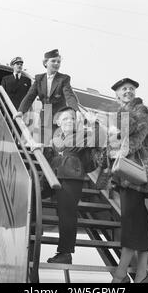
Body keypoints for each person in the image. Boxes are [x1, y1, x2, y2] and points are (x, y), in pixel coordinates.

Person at [107, 77, 148, 283]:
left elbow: (134, 141)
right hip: (125, 175)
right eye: (123, 89)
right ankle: (142, 273)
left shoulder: (141, 111)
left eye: (130, 89)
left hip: (136, 175)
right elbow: (112, 141)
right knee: (140, 223)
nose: (127, 91)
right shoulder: (119, 115)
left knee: (130, 223)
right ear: (117, 94)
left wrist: (114, 144)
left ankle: (120, 273)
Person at [46, 106, 106, 264]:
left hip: (72, 179)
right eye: (65, 118)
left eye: (72, 119)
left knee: (67, 216)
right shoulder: (55, 140)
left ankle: (65, 253)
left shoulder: (81, 136)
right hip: (53, 177)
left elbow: (100, 138)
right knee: (37, 199)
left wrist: (95, 124)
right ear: (58, 122)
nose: (69, 121)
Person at [15, 49, 80, 145]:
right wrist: (21, 111)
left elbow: (69, 95)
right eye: (53, 61)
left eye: (58, 62)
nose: (56, 63)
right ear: (46, 63)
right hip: (45, 114)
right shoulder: (39, 78)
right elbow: (30, 96)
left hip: (59, 116)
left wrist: (76, 111)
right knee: (41, 141)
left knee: (55, 143)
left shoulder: (64, 79)